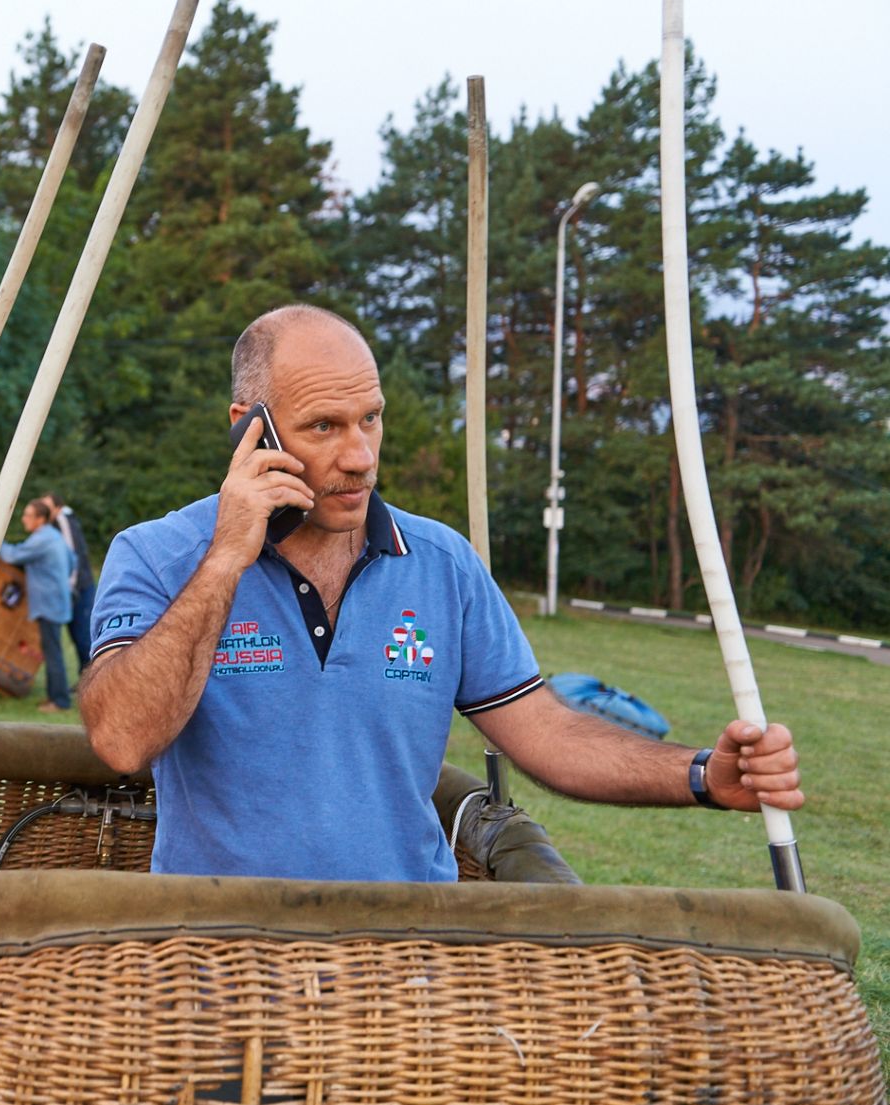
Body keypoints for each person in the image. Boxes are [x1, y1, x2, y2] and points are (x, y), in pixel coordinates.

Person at [80, 304, 803, 882]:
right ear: (249, 430)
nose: (360, 456)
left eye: (371, 418)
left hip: (409, 964)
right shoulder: (158, 553)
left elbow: (547, 734)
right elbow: (122, 739)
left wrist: (704, 775)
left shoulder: (443, 563)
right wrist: (225, 560)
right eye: (325, 426)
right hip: (216, 967)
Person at [0, 497, 76, 714]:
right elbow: (73, 562)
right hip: (58, 600)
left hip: (49, 604)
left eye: (28, 515)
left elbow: (12, 555)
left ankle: (60, 702)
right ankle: (55, 698)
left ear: (40, 519)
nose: (24, 519)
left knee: (53, 653)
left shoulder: (41, 539)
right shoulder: (54, 537)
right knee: (53, 650)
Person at [43, 492, 98, 676]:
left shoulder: (63, 520)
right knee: (76, 637)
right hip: (74, 589)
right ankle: (86, 680)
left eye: (48, 507)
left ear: (58, 507)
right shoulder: (54, 522)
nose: (45, 511)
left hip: (80, 588)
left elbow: (73, 556)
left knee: (83, 638)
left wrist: (70, 587)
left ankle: (94, 680)